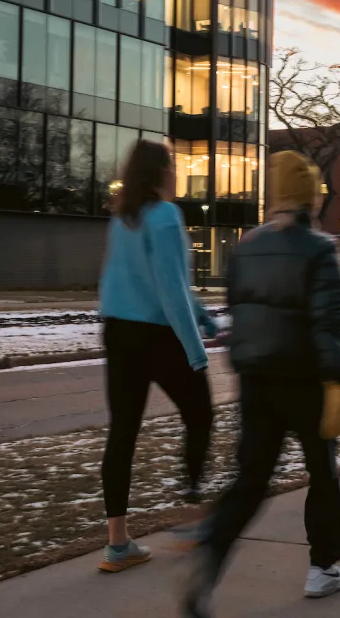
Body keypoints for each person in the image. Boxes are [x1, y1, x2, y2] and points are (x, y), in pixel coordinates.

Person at [182, 151, 340, 616]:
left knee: (251, 479)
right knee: (323, 474)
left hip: (257, 382)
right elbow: (328, 323)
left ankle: (212, 554)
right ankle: (323, 568)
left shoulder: (246, 246)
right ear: (310, 196)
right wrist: (338, 378)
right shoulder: (321, 250)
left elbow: (238, 312)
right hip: (306, 382)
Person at [96, 140, 220, 574]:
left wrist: (204, 317)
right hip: (158, 336)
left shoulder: (122, 218)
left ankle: (117, 545)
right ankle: (192, 519)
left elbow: (162, 284)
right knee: (201, 415)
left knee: (122, 434)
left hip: (118, 331)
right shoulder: (166, 215)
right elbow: (170, 287)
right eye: (173, 165)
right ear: (159, 173)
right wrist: (196, 349)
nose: (177, 172)